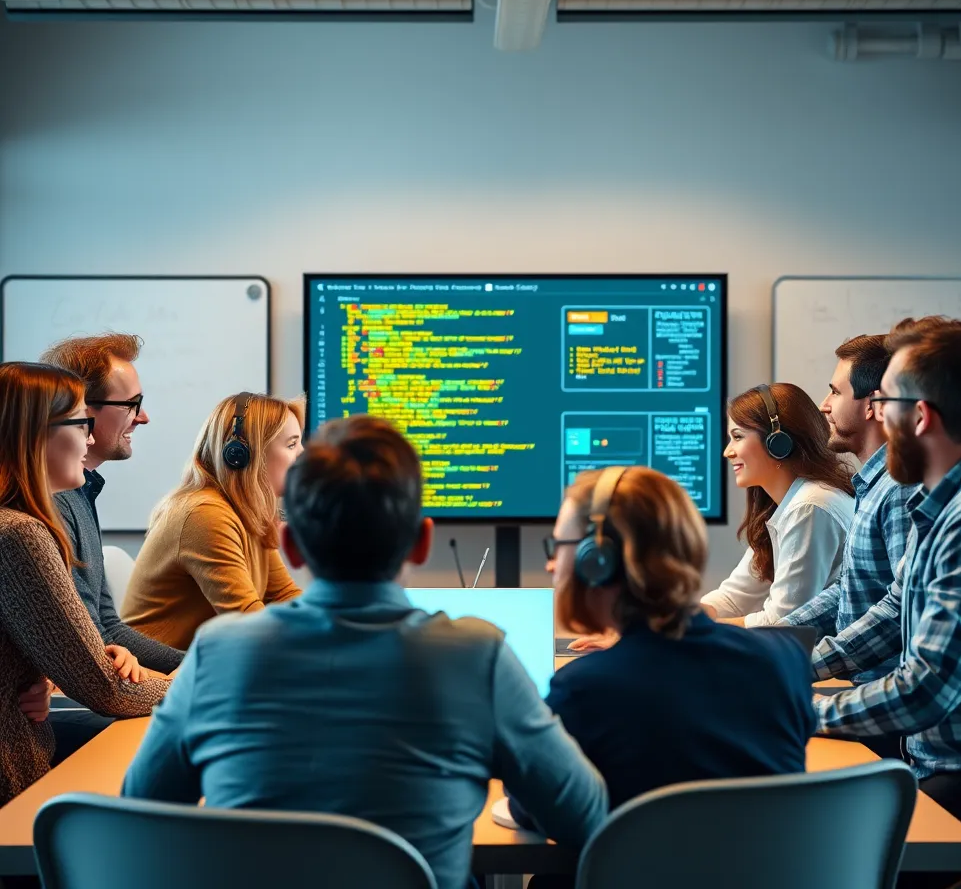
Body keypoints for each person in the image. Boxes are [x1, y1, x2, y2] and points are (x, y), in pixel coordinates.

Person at [122, 416, 607, 889]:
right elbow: (584, 816)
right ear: (422, 542)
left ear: (289, 547)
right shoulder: (477, 657)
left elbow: (142, 807)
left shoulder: (217, 652)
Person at [511, 465, 816, 829]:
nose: (550, 564)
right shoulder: (784, 662)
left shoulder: (584, 688)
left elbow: (533, 808)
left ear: (598, 560)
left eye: (558, 546)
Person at [813, 318, 961, 840]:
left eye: (884, 403)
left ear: (921, 417)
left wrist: (800, 711)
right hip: (937, 763)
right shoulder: (946, 502)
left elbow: (928, 688)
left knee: (819, 857)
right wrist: (793, 670)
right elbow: (891, 611)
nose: (877, 418)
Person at [0, 363, 168, 805]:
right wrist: (210, 685)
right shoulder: (18, 535)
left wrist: (49, 672)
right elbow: (105, 687)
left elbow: (89, 650)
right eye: (81, 424)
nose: (90, 439)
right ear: (34, 433)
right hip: (14, 793)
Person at [781, 334, 917, 682]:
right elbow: (849, 589)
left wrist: (782, 664)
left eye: (836, 392)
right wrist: (771, 641)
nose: (824, 405)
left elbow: (900, 613)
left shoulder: (900, 490)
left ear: (873, 404)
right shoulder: (873, 485)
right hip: (866, 691)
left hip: (887, 703)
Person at [122, 393, 304, 650]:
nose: (302, 453)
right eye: (291, 444)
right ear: (241, 455)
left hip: (197, 668)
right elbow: (250, 623)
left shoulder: (246, 510)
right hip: (157, 677)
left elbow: (283, 595)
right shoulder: (205, 514)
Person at [701, 383, 855, 626]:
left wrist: (698, 629)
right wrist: (680, 617)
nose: (727, 452)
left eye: (737, 437)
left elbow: (781, 623)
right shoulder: (787, 504)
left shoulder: (809, 506)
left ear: (778, 442)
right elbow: (735, 598)